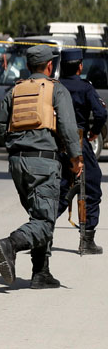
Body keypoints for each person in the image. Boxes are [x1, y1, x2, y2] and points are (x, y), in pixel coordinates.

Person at [0, 45, 82, 289]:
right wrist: (76, 160)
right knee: (44, 219)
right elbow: (67, 128)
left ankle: (41, 272)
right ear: (50, 66)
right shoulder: (56, 90)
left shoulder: (15, 91)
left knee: (38, 214)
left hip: (17, 163)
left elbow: (1, 128)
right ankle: (10, 244)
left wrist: (18, 146)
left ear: (29, 66)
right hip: (44, 163)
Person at [56, 48, 106, 254]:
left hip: (58, 144)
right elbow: (102, 113)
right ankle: (87, 240)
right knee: (91, 187)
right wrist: (94, 133)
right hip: (79, 141)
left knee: (60, 191)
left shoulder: (55, 86)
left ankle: (41, 232)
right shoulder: (85, 88)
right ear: (80, 67)